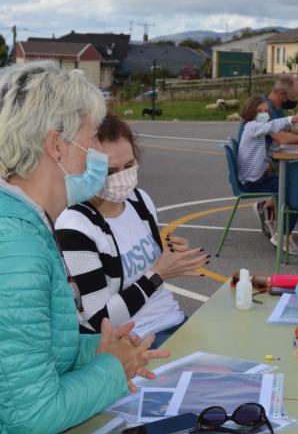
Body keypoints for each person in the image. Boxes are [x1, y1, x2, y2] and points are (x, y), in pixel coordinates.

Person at [0, 61, 169, 434]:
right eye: (92, 138)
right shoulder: (17, 252)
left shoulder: (26, 224)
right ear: (56, 145)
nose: (97, 153)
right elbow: (33, 415)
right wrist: (112, 368)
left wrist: (95, 351)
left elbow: (28, 352)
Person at [56, 113, 209, 349]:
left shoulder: (139, 200)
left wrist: (172, 254)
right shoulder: (75, 225)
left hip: (174, 319)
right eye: (110, 170)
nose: (122, 178)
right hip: (135, 340)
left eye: (128, 166)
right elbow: (99, 319)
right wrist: (158, 273)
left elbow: (147, 263)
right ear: (88, 169)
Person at [238, 96, 298, 255]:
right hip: (253, 182)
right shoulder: (251, 126)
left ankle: (272, 216)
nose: (264, 114)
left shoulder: (257, 127)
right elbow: (274, 125)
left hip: (257, 178)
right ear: (250, 113)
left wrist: (267, 163)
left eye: (266, 111)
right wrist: (292, 119)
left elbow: (272, 134)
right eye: (259, 111)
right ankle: (283, 235)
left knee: (291, 184)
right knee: (294, 191)